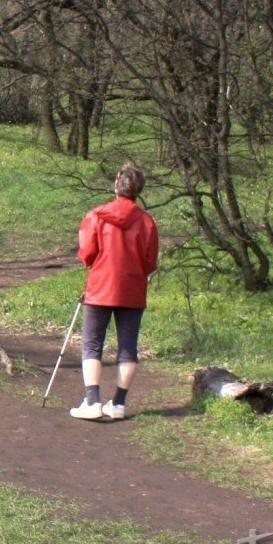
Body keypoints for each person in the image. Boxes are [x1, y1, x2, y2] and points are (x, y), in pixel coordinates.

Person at [70, 164, 159, 421]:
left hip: (100, 286)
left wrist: (96, 265)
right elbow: (150, 260)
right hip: (132, 288)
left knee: (92, 344)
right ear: (138, 190)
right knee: (128, 347)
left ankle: (92, 401)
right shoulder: (147, 221)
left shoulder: (97, 216)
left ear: (116, 186)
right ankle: (118, 404)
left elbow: (87, 253)